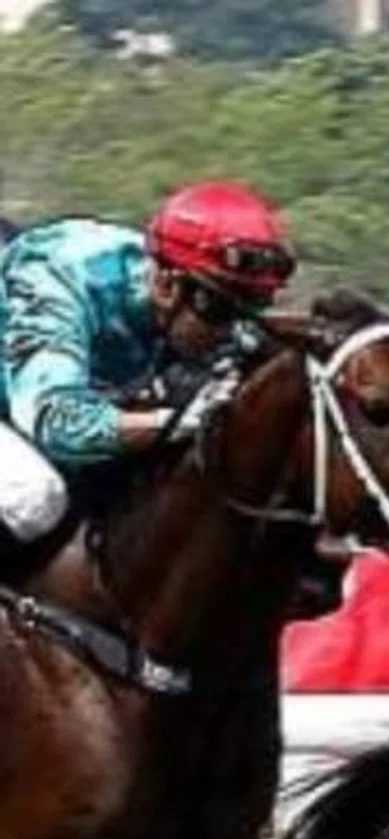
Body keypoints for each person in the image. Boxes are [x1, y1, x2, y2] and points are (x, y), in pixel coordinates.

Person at [0, 181, 297, 559]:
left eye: (249, 309)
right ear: (166, 285)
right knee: (34, 496)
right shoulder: (60, 277)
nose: (228, 332)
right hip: (29, 407)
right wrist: (170, 423)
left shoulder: (199, 300)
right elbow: (55, 422)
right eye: (220, 310)